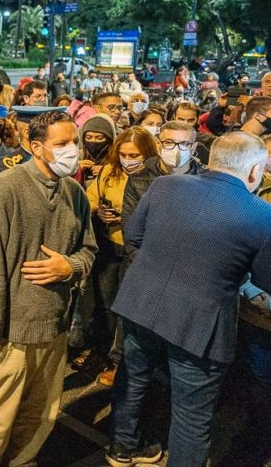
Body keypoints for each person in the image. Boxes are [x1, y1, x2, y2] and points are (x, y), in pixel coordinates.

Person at [109, 132, 271, 467]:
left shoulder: (165, 186)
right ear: (255, 171)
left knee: (133, 381)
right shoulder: (268, 218)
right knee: (191, 415)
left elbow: (134, 237)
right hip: (199, 325)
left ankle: (121, 449)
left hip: (140, 303)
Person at [0, 110, 97, 466]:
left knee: (39, 418)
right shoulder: (6, 188)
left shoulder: (74, 192)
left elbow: (88, 249)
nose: (73, 149)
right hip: (10, 333)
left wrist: (70, 267)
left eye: (75, 141)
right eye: (62, 144)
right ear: (36, 147)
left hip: (53, 328)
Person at [85, 127, 161, 388]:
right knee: (105, 304)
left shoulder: (156, 177)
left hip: (137, 251)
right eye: (124, 154)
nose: (129, 160)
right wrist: (99, 212)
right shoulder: (110, 171)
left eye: (135, 155)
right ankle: (102, 351)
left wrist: (128, 218)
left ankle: (121, 362)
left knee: (126, 308)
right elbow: (91, 198)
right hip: (109, 247)